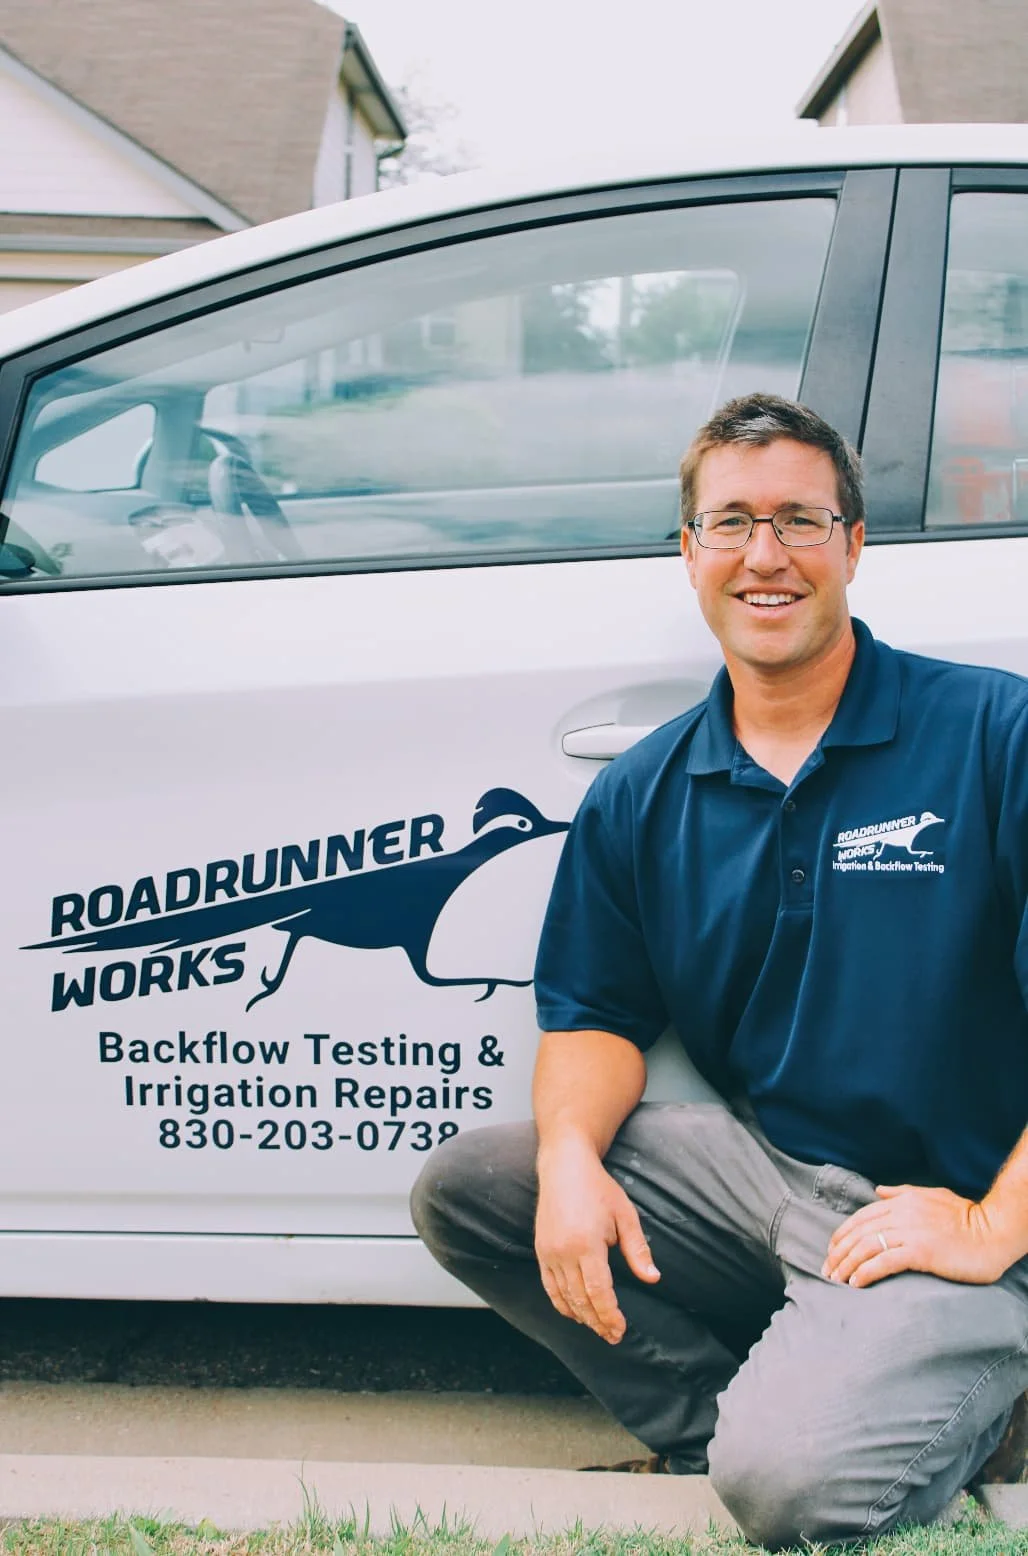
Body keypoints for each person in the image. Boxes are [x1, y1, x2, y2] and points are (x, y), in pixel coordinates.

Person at [410, 393, 1028, 1549]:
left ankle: (971, 1374)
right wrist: (566, 1159)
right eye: (730, 521)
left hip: (947, 1205)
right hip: (767, 1178)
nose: (764, 555)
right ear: (688, 550)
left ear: (853, 542)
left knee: (790, 1495)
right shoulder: (645, 789)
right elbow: (592, 1015)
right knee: (480, 1187)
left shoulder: (995, 734)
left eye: (799, 518)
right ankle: (736, 1416)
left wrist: (995, 1222)